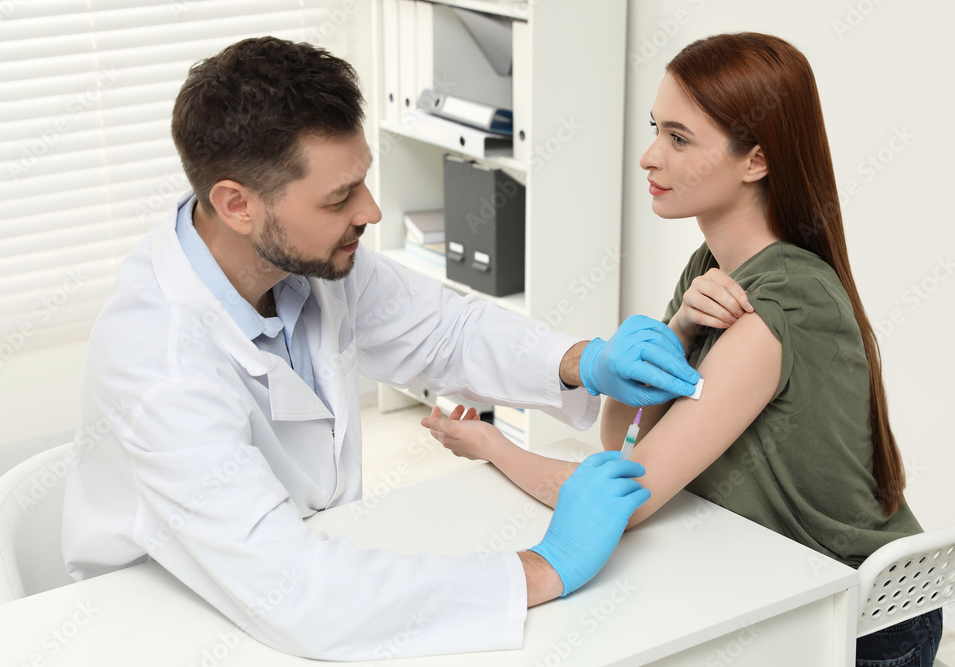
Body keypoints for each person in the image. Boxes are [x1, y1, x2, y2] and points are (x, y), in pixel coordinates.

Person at [60, 37, 702, 661]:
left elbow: (443, 331)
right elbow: (299, 591)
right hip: (164, 624)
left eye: (362, 181)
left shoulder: (305, 259)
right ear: (237, 205)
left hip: (307, 575)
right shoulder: (158, 365)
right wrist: (540, 568)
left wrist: (583, 361)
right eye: (340, 197)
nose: (370, 211)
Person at [423, 33, 941, 666]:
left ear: (755, 161)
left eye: (678, 138)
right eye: (654, 129)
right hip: (768, 581)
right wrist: (678, 331)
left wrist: (491, 445)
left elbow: (624, 495)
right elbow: (620, 441)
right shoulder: (710, 269)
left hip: (861, 622)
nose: (648, 156)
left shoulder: (781, 306)